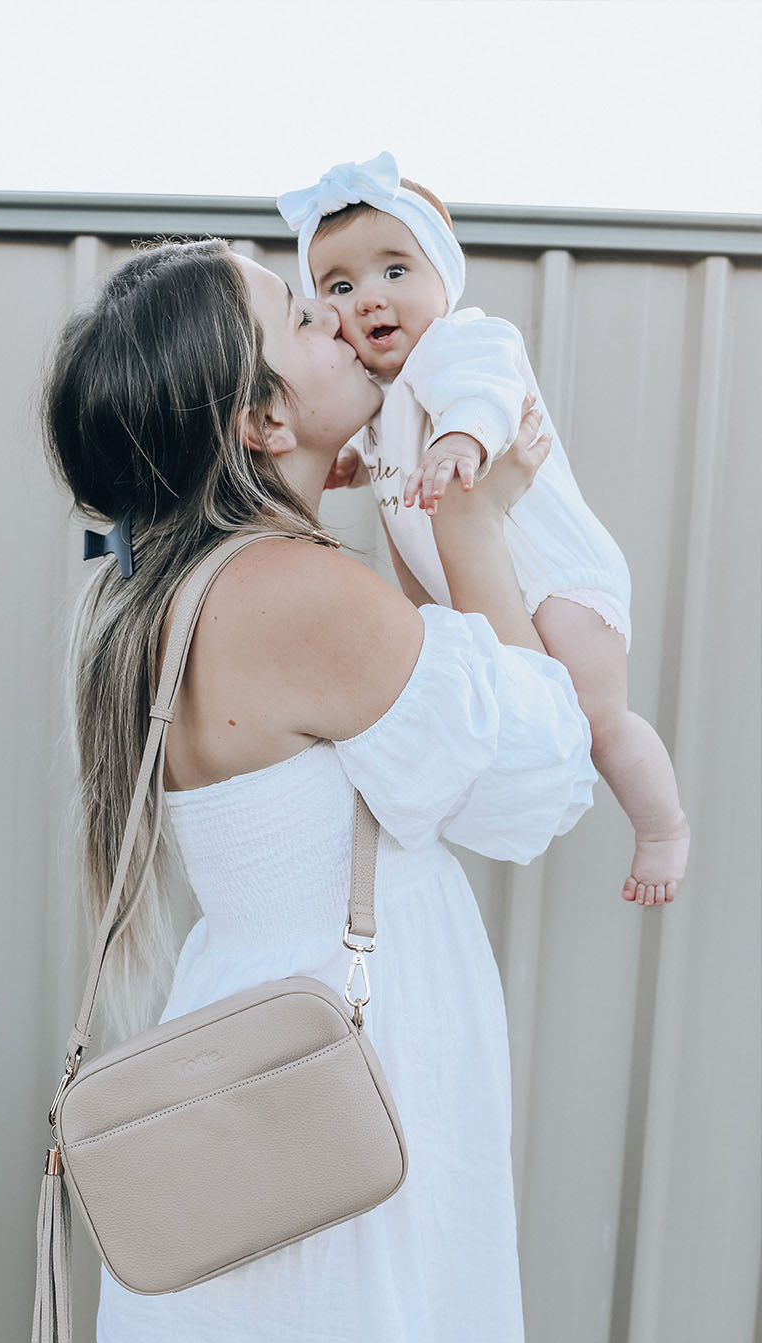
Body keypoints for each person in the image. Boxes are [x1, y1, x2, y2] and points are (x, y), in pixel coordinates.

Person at [42, 237, 597, 1343]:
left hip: (250, 1025)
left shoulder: (165, 589)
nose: (349, 324)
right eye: (305, 313)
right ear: (256, 416)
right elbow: (540, 777)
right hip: (349, 1055)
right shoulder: (296, 592)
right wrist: (474, 522)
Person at [278, 151, 690, 907]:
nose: (371, 297)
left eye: (396, 271)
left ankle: (663, 828)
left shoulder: (462, 343)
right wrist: (353, 468)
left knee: (596, 722)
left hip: (558, 577)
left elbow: (486, 394)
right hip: (483, 583)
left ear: (444, 277)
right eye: (341, 285)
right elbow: (388, 454)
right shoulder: (381, 392)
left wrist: (461, 439)